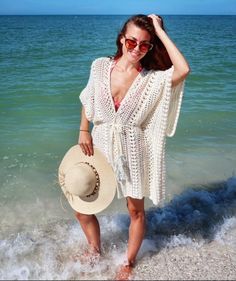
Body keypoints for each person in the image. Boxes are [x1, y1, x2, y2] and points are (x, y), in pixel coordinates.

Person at [77, 14, 190, 279]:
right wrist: (84, 130)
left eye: (144, 45)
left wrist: (160, 32)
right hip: (100, 144)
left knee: (135, 211)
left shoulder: (152, 80)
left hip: (133, 150)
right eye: (132, 42)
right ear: (121, 39)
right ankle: (94, 249)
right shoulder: (100, 66)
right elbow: (88, 97)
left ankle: (128, 261)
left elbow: (183, 69)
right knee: (82, 206)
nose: (137, 49)